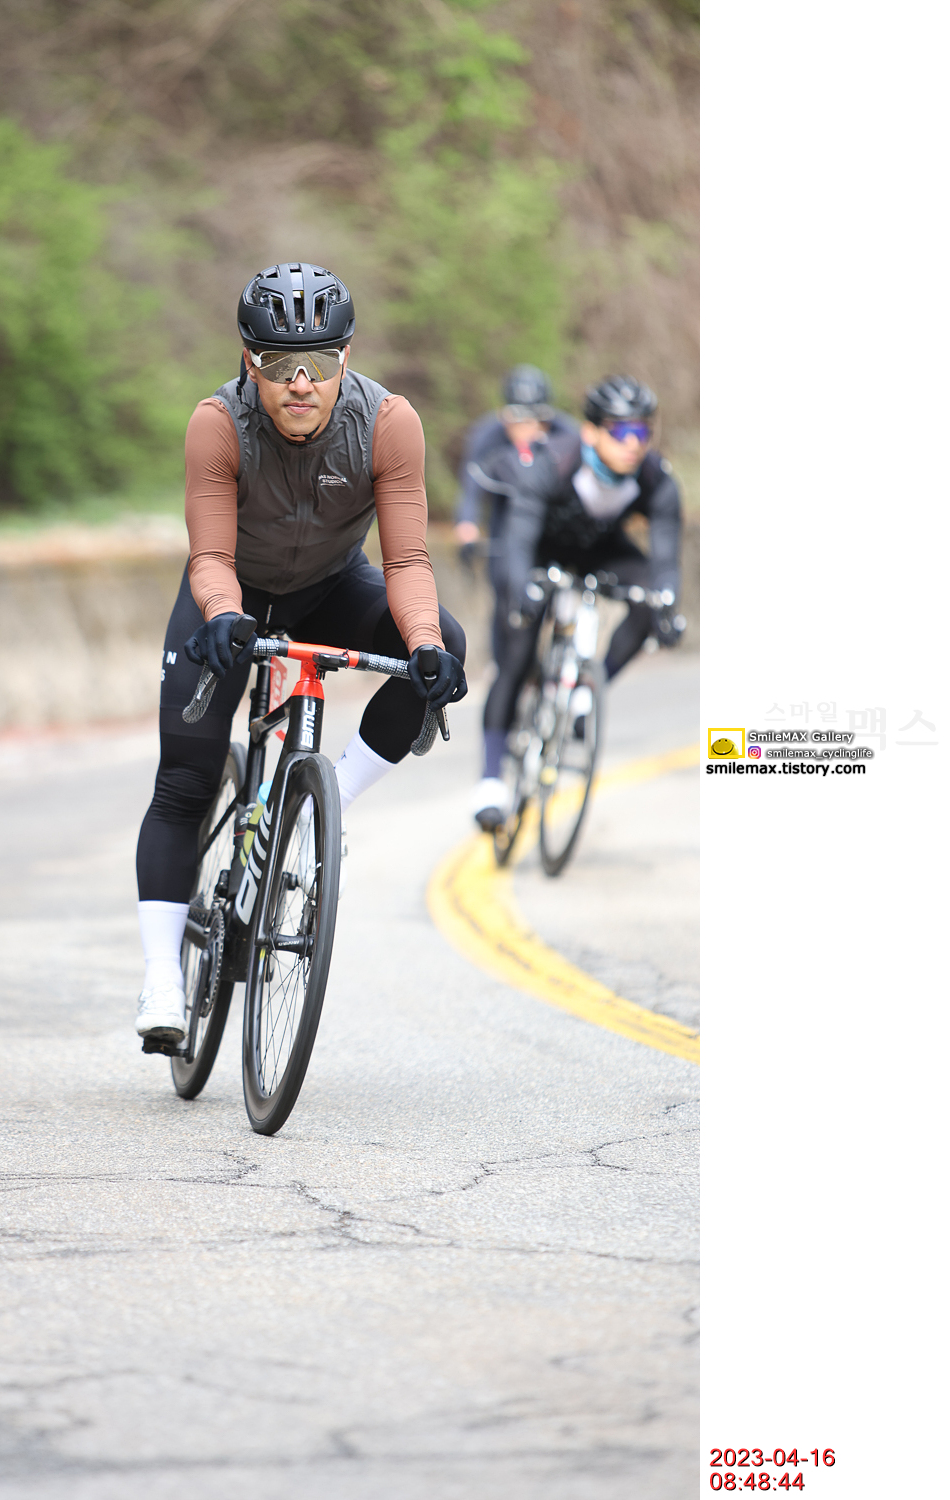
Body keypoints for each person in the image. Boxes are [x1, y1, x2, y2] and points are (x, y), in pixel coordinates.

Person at [134, 262, 469, 1040]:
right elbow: (210, 556)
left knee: (443, 638)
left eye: (317, 362)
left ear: (344, 357)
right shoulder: (218, 423)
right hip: (231, 597)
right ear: (249, 360)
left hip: (328, 587)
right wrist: (223, 614)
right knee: (184, 781)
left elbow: (407, 561)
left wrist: (422, 643)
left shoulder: (388, 422)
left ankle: (330, 800)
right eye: (279, 363)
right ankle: (161, 981)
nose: (299, 383)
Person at [470, 374, 685, 830]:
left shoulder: (654, 476)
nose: (634, 443)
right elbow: (518, 538)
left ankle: (588, 690)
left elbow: (666, 556)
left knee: (651, 603)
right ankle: (490, 780)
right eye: (621, 431)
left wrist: (668, 604)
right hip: (541, 549)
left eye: (643, 431)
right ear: (591, 432)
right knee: (517, 655)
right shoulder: (554, 462)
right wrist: (522, 590)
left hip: (601, 548)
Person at [453, 365, 579, 580]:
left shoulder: (566, 431)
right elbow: (471, 487)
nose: (529, 428)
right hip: (506, 511)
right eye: (518, 418)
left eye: (538, 418)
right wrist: (467, 527)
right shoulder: (487, 435)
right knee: (504, 575)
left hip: (552, 513)